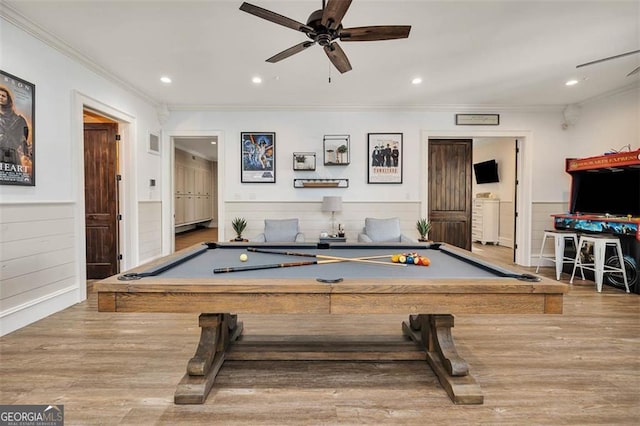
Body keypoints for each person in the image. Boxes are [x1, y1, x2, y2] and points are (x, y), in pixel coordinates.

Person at [0, 85, 29, 165]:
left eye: (3, 96)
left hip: (13, 157)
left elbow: (23, 139)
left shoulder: (19, 120)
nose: (0, 97)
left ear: (8, 99)